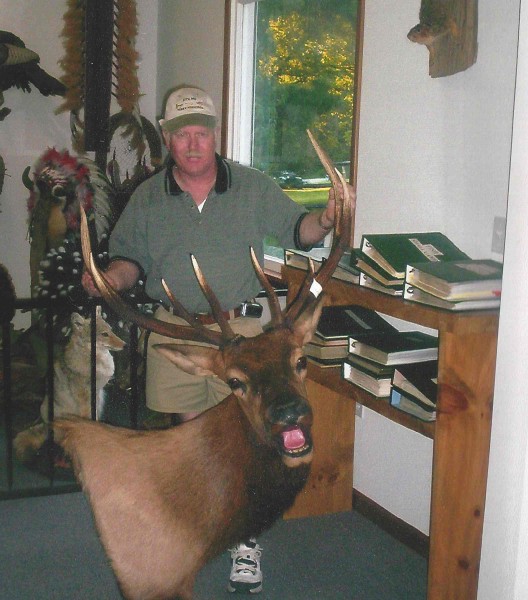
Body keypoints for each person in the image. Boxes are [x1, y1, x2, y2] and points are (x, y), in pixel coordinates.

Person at [82, 85, 355, 594]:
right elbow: (128, 260)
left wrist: (325, 219)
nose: (192, 143)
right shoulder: (148, 198)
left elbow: (300, 231)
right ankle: (202, 528)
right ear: (167, 139)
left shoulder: (252, 187)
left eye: (201, 133)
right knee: (199, 443)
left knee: (252, 442)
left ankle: (245, 539)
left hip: (249, 337)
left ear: (215, 135)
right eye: (181, 134)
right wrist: (112, 280)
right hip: (185, 337)